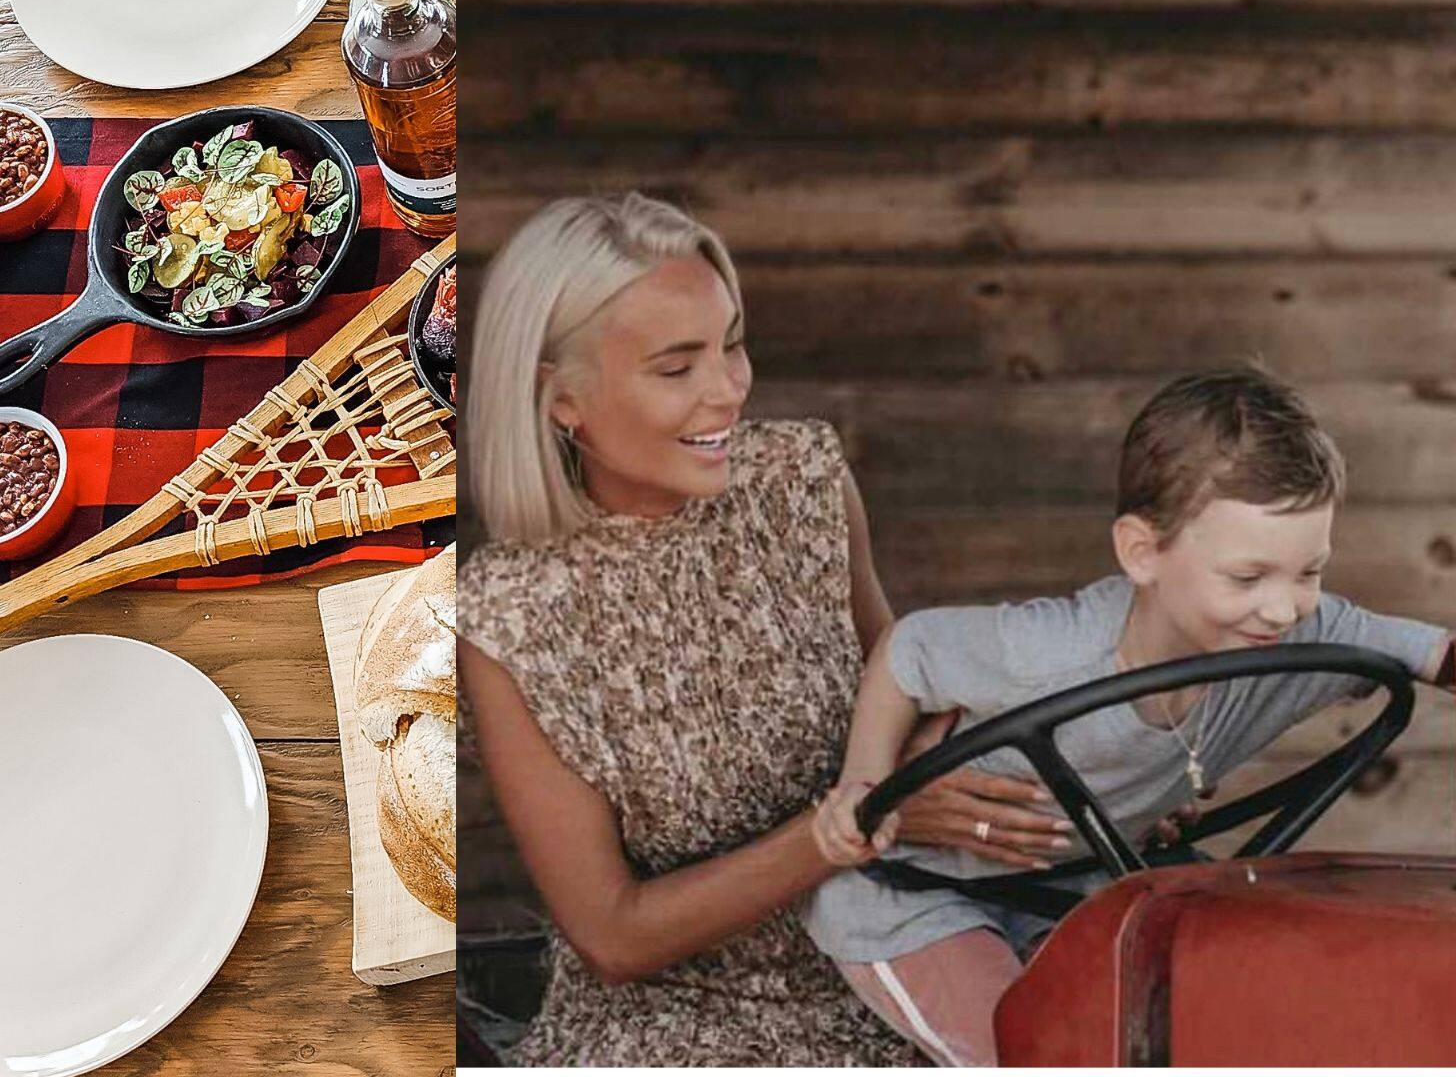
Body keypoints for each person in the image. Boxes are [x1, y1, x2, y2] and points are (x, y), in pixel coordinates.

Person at [461, 193, 1073, 1066]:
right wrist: (856, 824)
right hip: (677, 1028)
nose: (727, 392)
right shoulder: (507, 615)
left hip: (906, 953)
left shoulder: (804, 480)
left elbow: (908, 692)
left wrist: (1080, 785)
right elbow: (612, 935)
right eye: (677, 368)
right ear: (562, 399)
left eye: (732, 344)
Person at [808, 366, 1456, 1066]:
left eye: (1309, 572)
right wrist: (865, 787)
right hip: (919, 894)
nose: (1283, 607)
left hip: (1081, 886)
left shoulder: (1295, 635)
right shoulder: (1054, 651)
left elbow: (1427, 652)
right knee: (1037, 1050)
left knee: (1242, 1011)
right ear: (1142, 553)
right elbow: (910, 651)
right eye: (1247, 577)